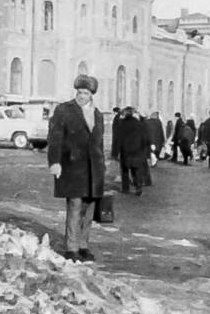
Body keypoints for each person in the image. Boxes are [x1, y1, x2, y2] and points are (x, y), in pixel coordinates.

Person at [47, 75, 105, 262]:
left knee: (89, 210)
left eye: (86, 93)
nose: (81, 96)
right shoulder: (64, 110)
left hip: (93, 168)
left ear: (91, 95)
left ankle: (83, 246)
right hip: (73, 165)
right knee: (75, 206)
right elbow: (55, 137)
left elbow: (99, 143)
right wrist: (55, 162)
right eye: (79, 92)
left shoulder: (98, 114)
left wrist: (102, 165)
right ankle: (71, 248)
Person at [112, 106, 149, 196]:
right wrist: (144, 149)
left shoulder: (122, 124)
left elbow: (118, 138)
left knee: (125, 170)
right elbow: (144, 138)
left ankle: (125, 188)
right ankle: (138, 186)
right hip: (137, 150)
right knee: (136, 169)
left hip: (125, 150)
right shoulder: (139, 124)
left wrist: (116, 151)